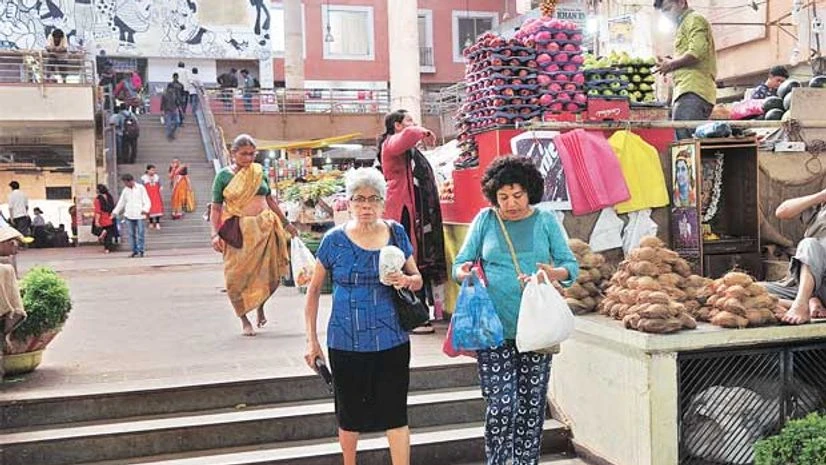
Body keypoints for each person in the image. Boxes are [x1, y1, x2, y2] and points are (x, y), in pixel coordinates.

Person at [452, 156, 579, 465]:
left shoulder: (546, 221)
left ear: (530, 191)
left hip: (536, 330)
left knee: (531, 406)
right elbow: (460, 262)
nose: (510, 203)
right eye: (503, 196)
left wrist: (552, 273)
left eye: (517, 195)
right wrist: (464, 272)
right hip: (494, 330)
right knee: (502, 404)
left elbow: (570, 265)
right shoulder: (486, 220)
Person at [304, 167, 420, 465]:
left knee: (395, 410)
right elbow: (314, 290)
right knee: (349, 413)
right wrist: (312, 342)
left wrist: (406, 281)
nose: (366, 206)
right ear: (349, 202)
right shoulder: (333, 240)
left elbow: (417, 278)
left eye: (373, 199)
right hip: (345, 339)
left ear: (383, 202)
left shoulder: (396, 232)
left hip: (391, 337)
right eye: (359, 199)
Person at [209, 134, 297, 336]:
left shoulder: (259, 172)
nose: (248, 159)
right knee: (235, 278)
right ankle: (244, 319)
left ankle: (260, 306)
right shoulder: (223, 176)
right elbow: (216, 208)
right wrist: (215, 234)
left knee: (271, 274)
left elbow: (271, 201)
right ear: (233, 154)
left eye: (252, 154)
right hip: (238, 231)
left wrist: (286, 224)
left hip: (266, 227)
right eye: (243, 154)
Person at [378, 109, 448, 334]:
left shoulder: (405, 150)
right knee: (407, 257)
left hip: (411, 208)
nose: (413, 124)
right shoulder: (391, 143)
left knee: (415, 258)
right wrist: (422, 131)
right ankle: (413, 314)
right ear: (397, 125)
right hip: (401, 208)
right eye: (408, 120)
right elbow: (407, 137)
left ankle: (418, 312)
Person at [761, 187, 826, 324]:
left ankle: (801, 304)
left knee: (809, 244)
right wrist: (821, 196)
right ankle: (809, 302)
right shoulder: (820, 207)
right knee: (751, 291)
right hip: (805, 284)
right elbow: (782, 212)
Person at [654, 0, 717, 140]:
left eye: (668, 9)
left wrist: (671, 64)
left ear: (681, 3)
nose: (666, 15)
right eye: (663, 12)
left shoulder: (694, 19)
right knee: (684, 141)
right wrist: (670, 62)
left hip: (693, 90)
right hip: (687, 90)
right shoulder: (683, 24)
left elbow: (697, 52)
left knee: (686, 142)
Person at [112, 173, 151, 258]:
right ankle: (134, 250)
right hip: (129, 214)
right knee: (131, 234)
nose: (126, 185)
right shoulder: (125, 190)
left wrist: (145, 209)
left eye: (127, 183)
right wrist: (115, 212)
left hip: (139, 214)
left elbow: (147, 200)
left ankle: (141, 250)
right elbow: (121, 202)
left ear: (131, 181)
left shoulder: (140, 188)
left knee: (140, 233)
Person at [93, 185, 116, 253]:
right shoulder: (109, 197)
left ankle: (103, 232)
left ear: (99, 190)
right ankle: (108, 248)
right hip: (110, 217)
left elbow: (98, 211)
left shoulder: (98, 199)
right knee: (109, 234)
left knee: (95, 230)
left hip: (102, 217)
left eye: (96, 189)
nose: (96, 190)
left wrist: (97, 221)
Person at [141, 165, 164, 229]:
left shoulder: (157, 177)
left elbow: (160, 184)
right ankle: (150, 222)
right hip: (148, 195)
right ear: (147, 170)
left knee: (157, 208)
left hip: (156, 195)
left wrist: (160, 187)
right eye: (152, 170)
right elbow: (141, 187)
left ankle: (157, 222)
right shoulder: (143, 178)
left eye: (154, 170)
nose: (153, 171)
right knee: (149, 208)